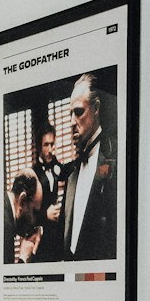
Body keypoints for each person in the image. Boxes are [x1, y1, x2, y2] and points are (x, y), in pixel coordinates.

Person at [62, 73, 117, 261]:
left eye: (78, 112)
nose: (71, 122)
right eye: (70, 114)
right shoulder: (71, 172)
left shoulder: (116, 157)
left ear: (96, 108)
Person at [32, 121, 67, 261]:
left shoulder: (57, 166)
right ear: (39, 146)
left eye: (52, 144)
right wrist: (45, 215)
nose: (50, 149)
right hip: (41, 241)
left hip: (57, 238)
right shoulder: (32, 173)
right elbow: (26, 216)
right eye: (46, 145)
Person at [3, 168, 43, 263]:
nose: (34, 221)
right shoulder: (5, 227)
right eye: (34, 212)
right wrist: (23, 258)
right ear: (22, 201)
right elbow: (4, 277)